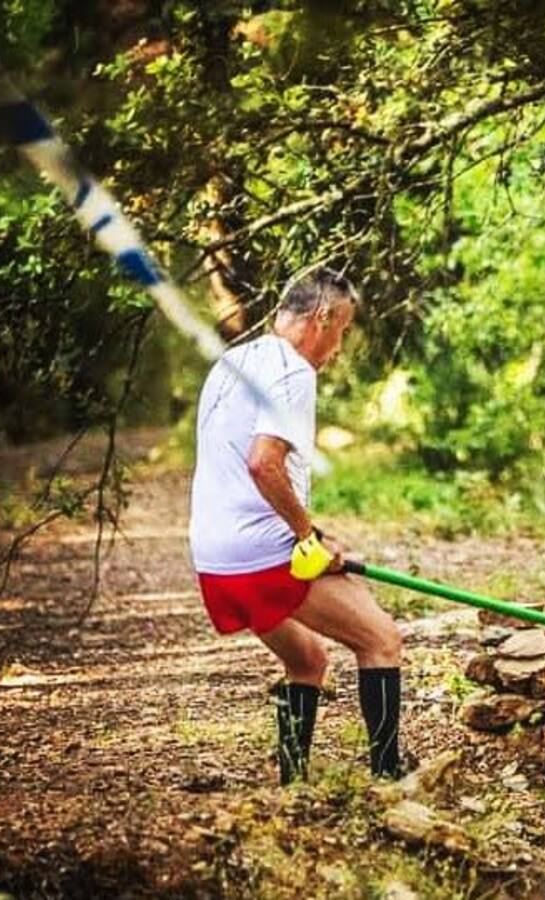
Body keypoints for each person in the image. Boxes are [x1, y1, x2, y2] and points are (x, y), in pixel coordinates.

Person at [188, 269, 404, 785]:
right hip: (262, 557)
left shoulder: (234, 361)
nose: (340, 345)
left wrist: (311, 532)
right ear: (322, 317)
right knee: (382, 640)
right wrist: (309, 536)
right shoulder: (292, 371)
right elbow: (264, 464)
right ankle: (389, 780)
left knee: (307, 658)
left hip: (213, 561)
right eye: (344, 329)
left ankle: (293, 787)